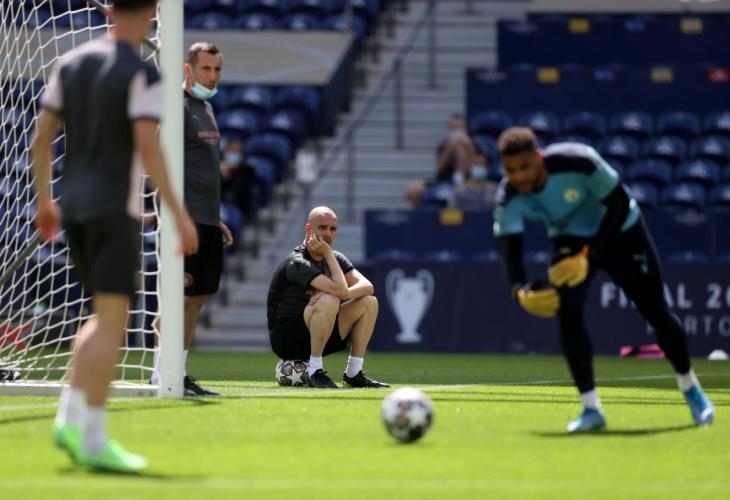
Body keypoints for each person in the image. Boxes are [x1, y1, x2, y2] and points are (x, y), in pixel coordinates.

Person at [31, 0, 198, 472]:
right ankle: (94, 437)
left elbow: (40, 139)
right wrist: (179, 214)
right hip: (114, 209)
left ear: (108, 11)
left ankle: (68, 419)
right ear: (150, 14)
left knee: (101, 317)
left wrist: (45, 201)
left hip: (73, 207)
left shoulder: (70, 62)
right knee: (113, 324)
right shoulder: (141, 72)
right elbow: (148, 145)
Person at [493, 127, 714, 432]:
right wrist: (518, 292)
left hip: (621, 230)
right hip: (568, 237)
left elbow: (619, 203)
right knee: (568, 311)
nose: (518, 176)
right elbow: (510, 250)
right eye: (510, 170)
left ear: (539, 157)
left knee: (656, 313)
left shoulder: (579, 162)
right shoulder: (508, 198)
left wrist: (589, 255)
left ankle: (690, 387)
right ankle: (591, 409)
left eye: (524, 166)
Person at [150, 42, 233, 396]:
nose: (212, 76)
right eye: (206, 69)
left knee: (197, 298)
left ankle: (179, 373)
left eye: (217, 69)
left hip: (208, 220)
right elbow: (158, 162)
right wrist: (180, 214)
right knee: (178, 298)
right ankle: (159, 373)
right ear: (188, 69)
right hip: (183, 220)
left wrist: (216, 217)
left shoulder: (207, 108)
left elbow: (203, 171)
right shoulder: (176, 108)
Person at [267, 206, 389, 389]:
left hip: (320, 332)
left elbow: (368, 286)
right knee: (329, 300)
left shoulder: (334, 258)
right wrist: (335, 291)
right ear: (308, 229)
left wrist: (330, 262)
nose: (328, 233)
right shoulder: (298, 262)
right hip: (286, 340)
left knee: (369, 302)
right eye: (322, 227)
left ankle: (353, 373)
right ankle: (315, 371)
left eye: (333, 229)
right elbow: (339, 289)